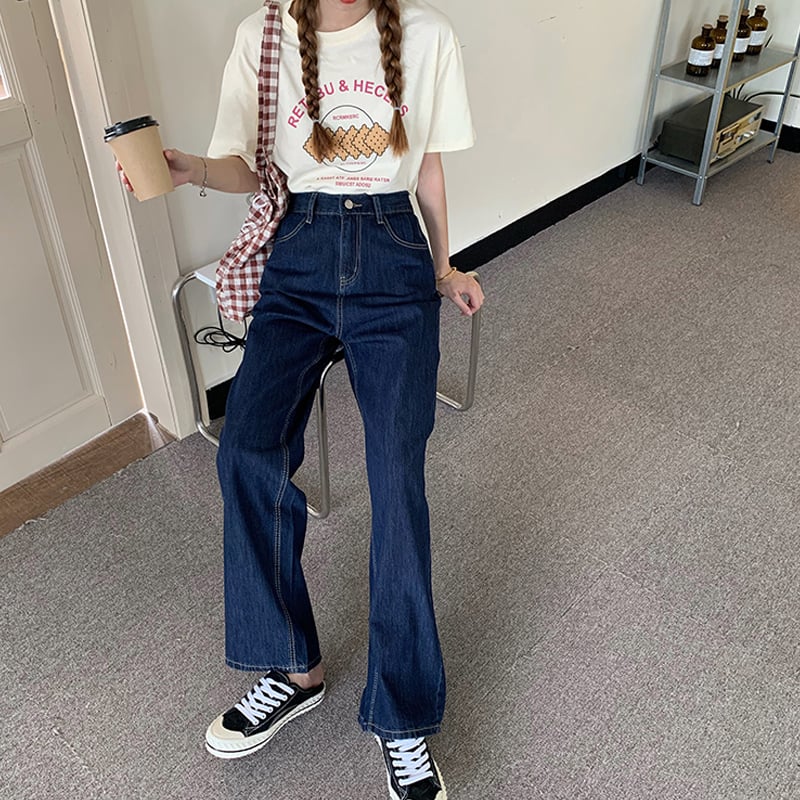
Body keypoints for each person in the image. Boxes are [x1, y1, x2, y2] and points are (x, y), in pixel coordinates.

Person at [120, 0, 481, 796]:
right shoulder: (263, 37)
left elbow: (426, 166)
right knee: (246, 451)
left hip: (393, 254)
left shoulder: (427, 35)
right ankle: (293, 667)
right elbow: (249, 166)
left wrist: (443, 268)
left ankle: (403, 716)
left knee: (396, 479)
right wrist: (187, 169)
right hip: (300, 256)